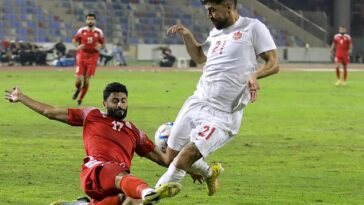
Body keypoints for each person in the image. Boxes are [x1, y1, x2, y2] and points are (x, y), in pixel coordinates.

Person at [155, 0, 279, 197]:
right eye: (207, 10)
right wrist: (187, 35)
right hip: (197, 102)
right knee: (170, 158)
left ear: (229, 6)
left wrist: (254, 75)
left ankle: (151, 196)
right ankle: (210, 173)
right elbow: (199, 56)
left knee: (182, 161)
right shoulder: (215, 34)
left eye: (212, 10)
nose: (209, 15)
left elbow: (273, 63)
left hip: (223, 114)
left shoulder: (253, 27)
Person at [4, 82, 182, 205]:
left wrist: (194, 166)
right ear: (105, 103)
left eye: (123, 101)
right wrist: (21, 97)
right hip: (95, 171)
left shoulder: (135, 132)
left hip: (114, 185)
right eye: (115, 101)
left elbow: (165, 160)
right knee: (131, 186)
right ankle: (147, 192)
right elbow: (50, 112)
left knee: (130, 200)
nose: (120, 105)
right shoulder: (92, 115)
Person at [72, 13, 105, 106]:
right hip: (82, 56)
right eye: (89, 19)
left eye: (92, 19)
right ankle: (78, 89)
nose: (90, 21)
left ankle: (80, 99)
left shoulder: (99, 32)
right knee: (79, 80)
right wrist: (78, 46)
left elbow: (102, 43)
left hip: (93, 58)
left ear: (95, 21)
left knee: (86, 81)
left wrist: (100, 46)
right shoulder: (81, 31)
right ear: (86, 21)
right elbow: (74, 40)